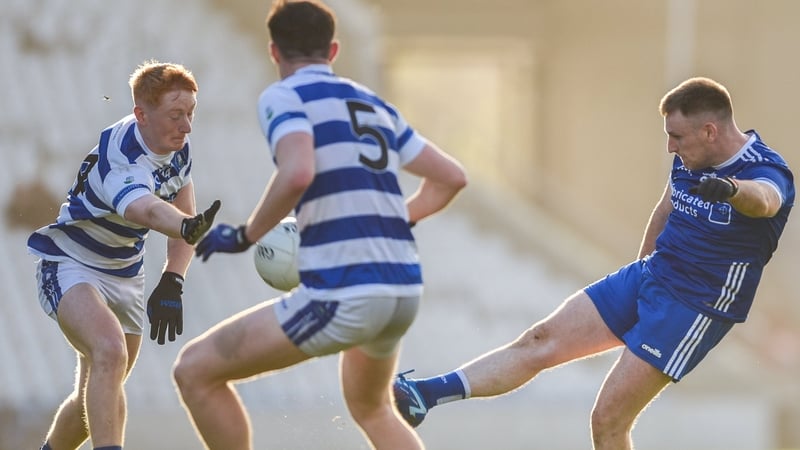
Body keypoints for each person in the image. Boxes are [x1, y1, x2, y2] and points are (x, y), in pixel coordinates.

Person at [393, 77, 795, 449]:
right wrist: (641, 275)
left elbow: (765, 200)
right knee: (539, 340)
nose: (671, 147)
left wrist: (729, 189)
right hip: (650, 277)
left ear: (710, 131)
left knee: (607, 421)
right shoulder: (692, 158)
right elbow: (666, 207)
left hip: (693, 307)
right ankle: (426, 395)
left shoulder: (766, 169)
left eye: (677, 137)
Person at [171, 1, 467, 449]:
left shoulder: (284, 96)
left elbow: (297, 172)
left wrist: (246, 234)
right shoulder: (373, 104)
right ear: (333, 50)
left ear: (274, 52)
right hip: (403, 287)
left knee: (194, 370)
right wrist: (394, 219)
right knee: (373, 408)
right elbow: (451, 177)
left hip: (347, 290)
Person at [27, 60, 220, 450]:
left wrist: (174, 278)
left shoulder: (177, 146)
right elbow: (145, 210)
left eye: (190, 114)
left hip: (125, 275)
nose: (186, 126)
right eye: (176, 115)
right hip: (70, 264)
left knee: (96, 399)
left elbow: (186, 213)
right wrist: (183, 226)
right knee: (110, 352)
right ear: (141, 115)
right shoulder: (123, 155)